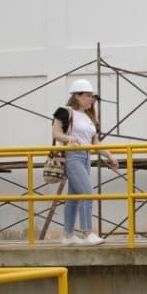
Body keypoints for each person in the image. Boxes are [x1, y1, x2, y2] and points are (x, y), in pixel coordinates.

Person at [51, 79, 118, 246]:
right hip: (73, 156)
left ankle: (67, 236)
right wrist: (69, 139)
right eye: (87, 96)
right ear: (77, 96)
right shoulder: (65, 112)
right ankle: (87, 233)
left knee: (74, 197)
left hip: (86, 157)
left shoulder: (89, 117)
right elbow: (56, 133)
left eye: (91, 96)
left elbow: (95, 142)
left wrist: (109, 156)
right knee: (87, 193)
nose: (91, 99)